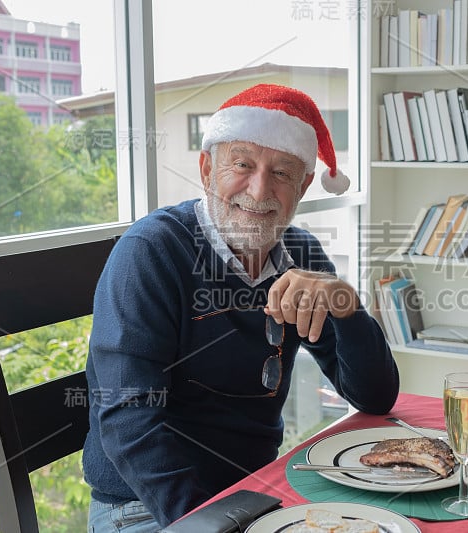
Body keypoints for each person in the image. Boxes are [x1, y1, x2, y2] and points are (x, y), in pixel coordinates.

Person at [83, 84, 400, 531]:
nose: (259, 189)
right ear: (207, 167)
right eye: (243, 163)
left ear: (304, 186)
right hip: (147, 507)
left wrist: (344, 302)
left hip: (256, 492)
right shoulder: (152, 251)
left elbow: (375, 397)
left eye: (282, 173)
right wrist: (213, 524)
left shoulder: (304, 256)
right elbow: (128, 421)